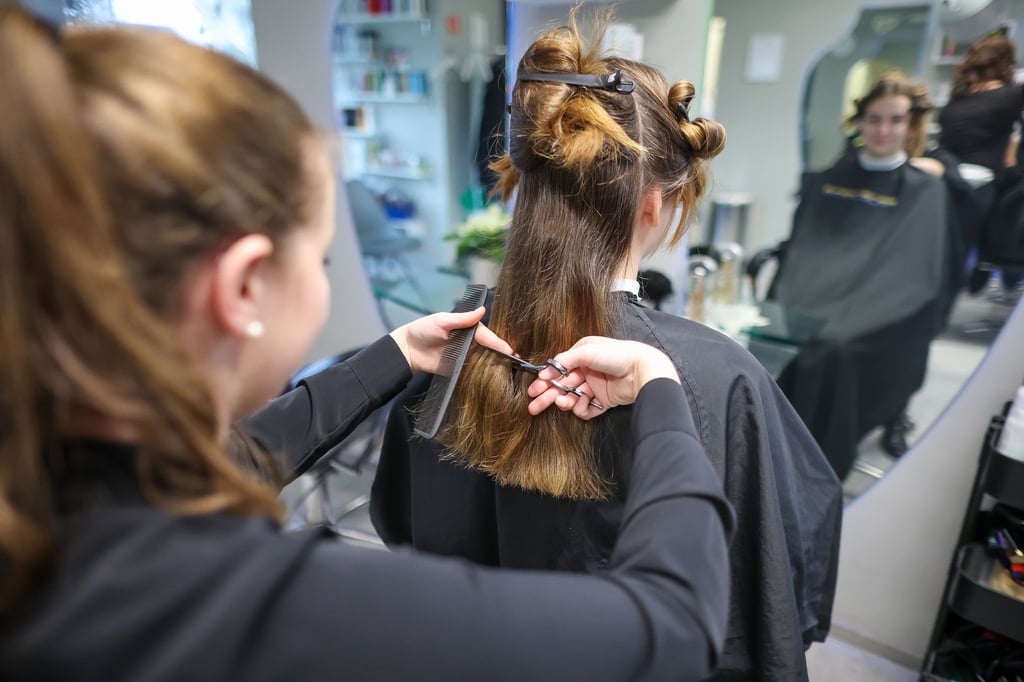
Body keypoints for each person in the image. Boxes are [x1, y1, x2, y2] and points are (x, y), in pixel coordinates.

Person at [0, 7, 737, 680]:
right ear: (243, 287)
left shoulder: (47, 487)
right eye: (320, 258)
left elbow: (218, 464)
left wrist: (394, 357)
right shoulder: (252, 605)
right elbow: (672, 628)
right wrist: (662, 394)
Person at [371, 11, 843, 681]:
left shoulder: (448, 342)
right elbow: (773, 580)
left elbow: (398, 517)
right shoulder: (718, 375)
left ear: (525, 185)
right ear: (656, 207)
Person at [768, 72, 957, 466]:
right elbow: (805, 249)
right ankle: (772, 448)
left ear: (911, 125)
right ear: (860, 122)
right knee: (795, 339)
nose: (883, 130)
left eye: (895, 120)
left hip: (880, 308)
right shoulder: (828, 180)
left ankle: (818, 461)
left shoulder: (924, 189)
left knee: (835, 348)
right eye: (874, 119)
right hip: (813, 294)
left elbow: (915, 272)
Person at [938, 33, 1022, 259]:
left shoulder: (957, 99)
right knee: (954, 256)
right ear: (1006, 62)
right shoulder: (1011, 95)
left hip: (943, 179)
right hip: (977, 186)